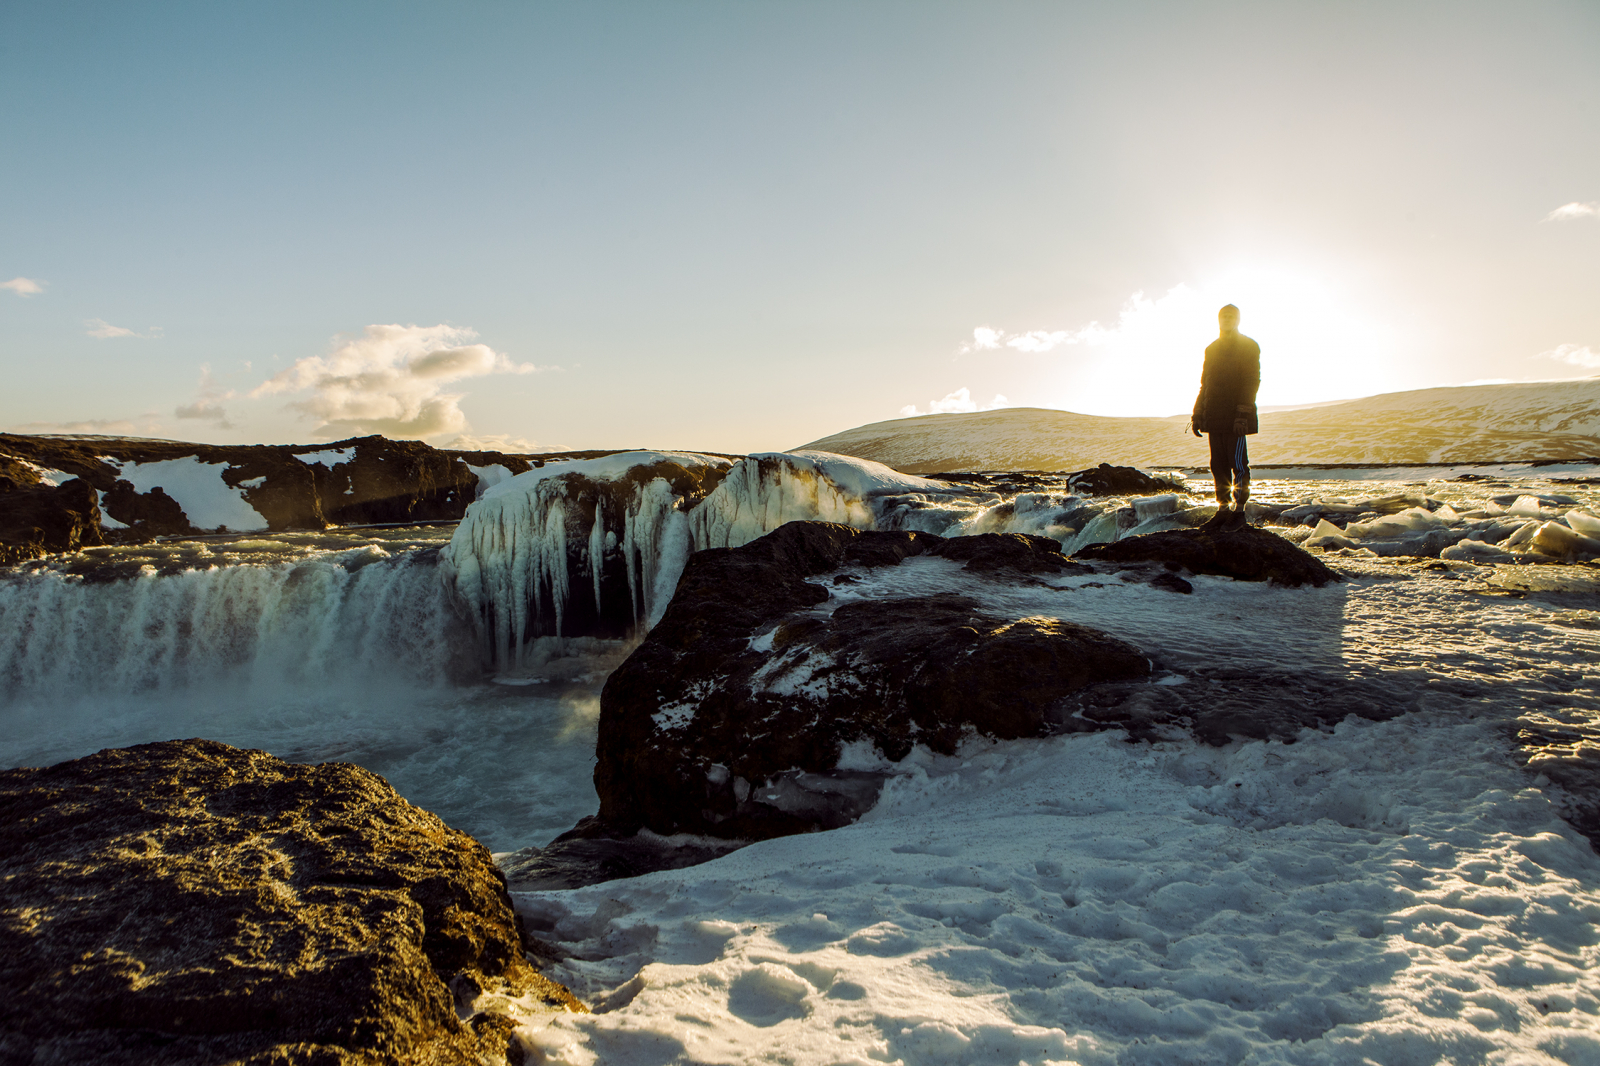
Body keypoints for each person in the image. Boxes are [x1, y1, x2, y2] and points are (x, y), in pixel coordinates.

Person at [1190, 304, 1260, 532]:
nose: (1227, 319)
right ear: (1218, 319)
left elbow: (1251, 381)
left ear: (1238, 320)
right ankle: (1222, 510)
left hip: (1235, 418)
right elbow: (1205, 384)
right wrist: (1198, 413)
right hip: (1214, 416)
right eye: (1224, 316)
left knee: (1238, 464)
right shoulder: (1211, 349)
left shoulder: (1248, 346)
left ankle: (1239, 512)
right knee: (1217, 465)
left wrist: (1242, 414)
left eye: (1231, 316)